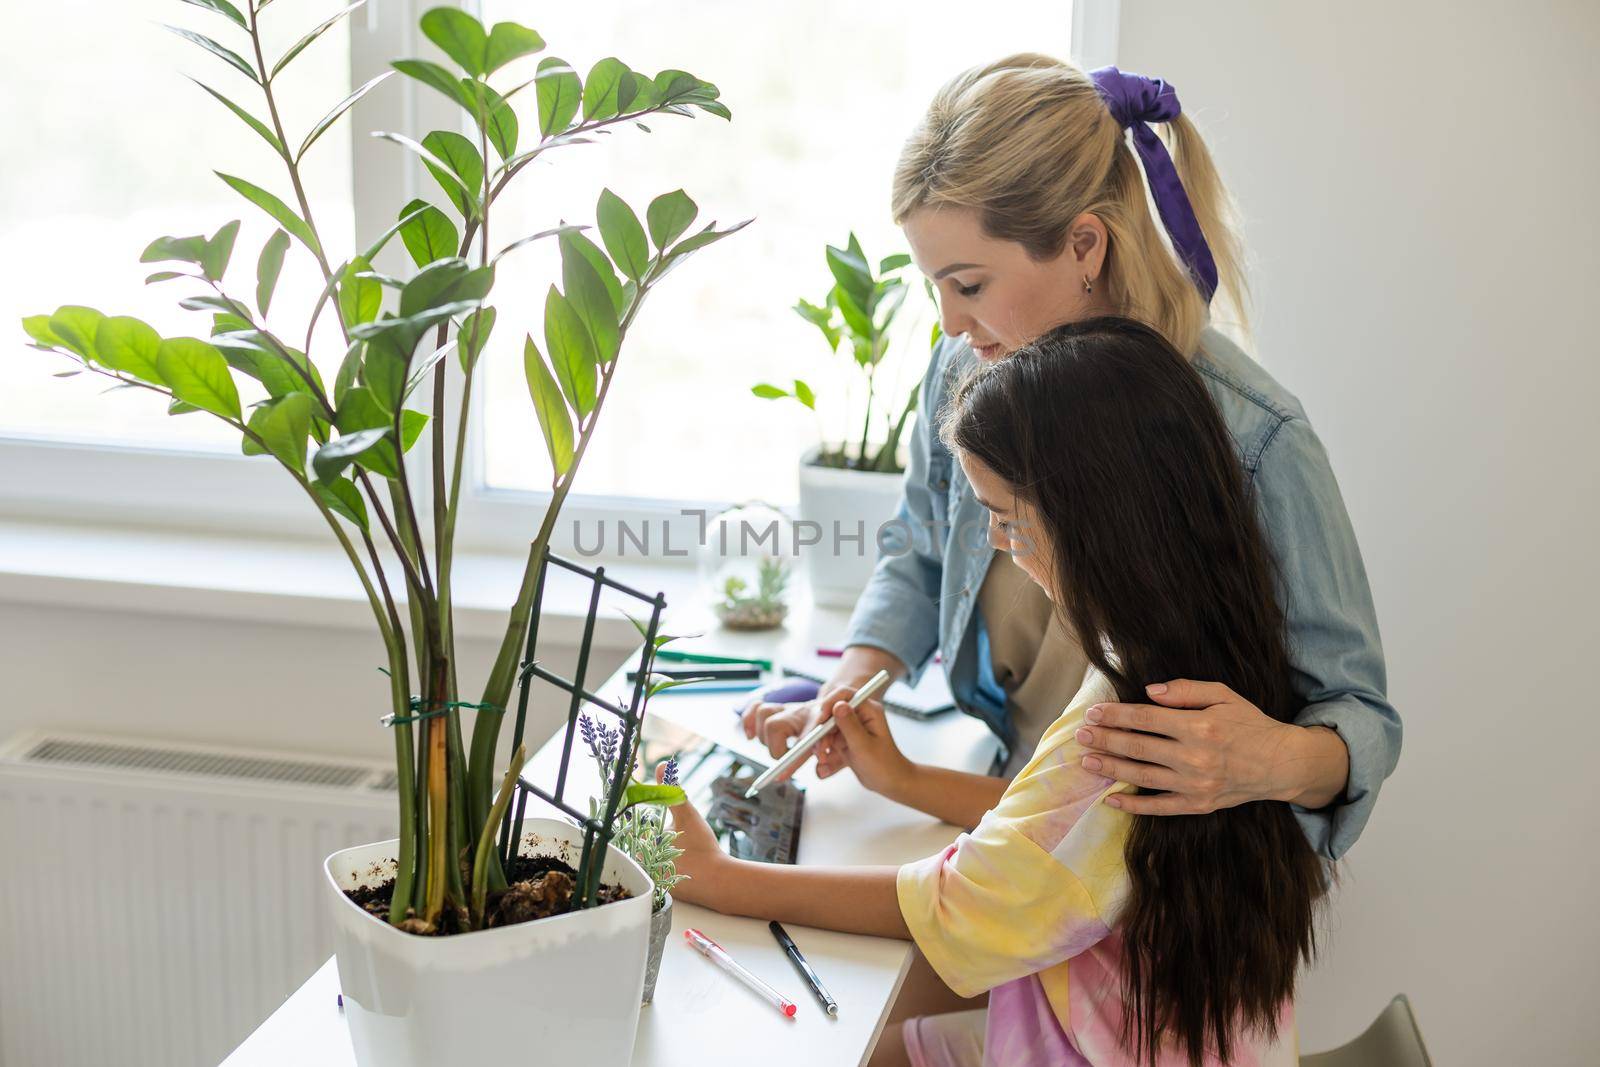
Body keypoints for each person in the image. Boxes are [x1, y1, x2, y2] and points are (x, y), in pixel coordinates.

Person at [742, 55, 1396, 864]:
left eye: (971, 284)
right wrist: (850, 687)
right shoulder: (968, 373)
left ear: (1085, 244)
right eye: (934, 287)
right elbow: (921, 548)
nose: (950, 324)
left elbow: (1358, 714)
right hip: (1016, 830)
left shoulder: (1255, 439)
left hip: (1171, 889)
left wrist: (1265, 756)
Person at [668, 318, 1327, 1066]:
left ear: (1098, 523)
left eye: (1009, 520)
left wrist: (722, 880)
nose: (998, 544)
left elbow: (953, 900)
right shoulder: (1212, 647)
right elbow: (1057, 827)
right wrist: (904, 779)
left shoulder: (1125, 719)